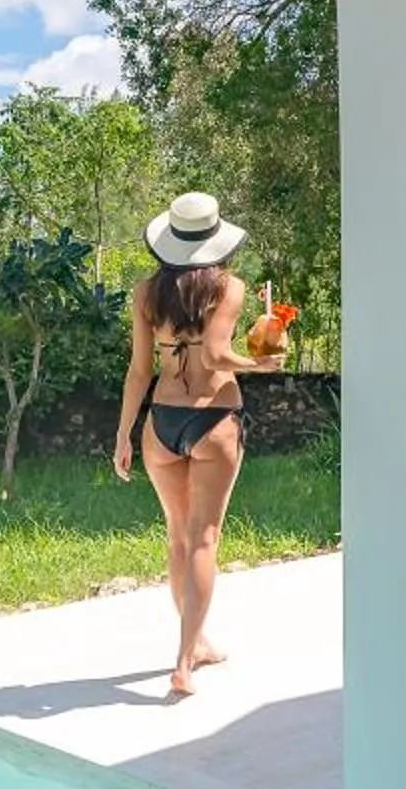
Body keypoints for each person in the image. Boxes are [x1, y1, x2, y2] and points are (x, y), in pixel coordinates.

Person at [113, 192, 286, 696]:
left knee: (178, 539)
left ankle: (198, 643)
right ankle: (185, 661)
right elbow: (213, 356)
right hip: (213, 419)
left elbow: (139, 371)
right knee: (204, 539)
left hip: (162, 422)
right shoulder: (229, 288)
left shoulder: (145, 293)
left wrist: (124, 433)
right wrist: (257, 365)